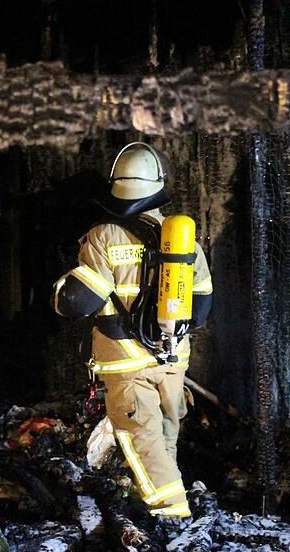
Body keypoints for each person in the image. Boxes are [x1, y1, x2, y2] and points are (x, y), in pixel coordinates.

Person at [53, 142, 213, 519]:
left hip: (127, 360)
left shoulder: (105, 236)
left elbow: (78, 302)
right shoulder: (182, 239)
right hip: (173, 357)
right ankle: (163, 497)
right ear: (158, 184)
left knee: (141, 438)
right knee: (164, 435)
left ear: (116, 185)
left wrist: (59, 291)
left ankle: (172, 514)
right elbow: (202, 307)